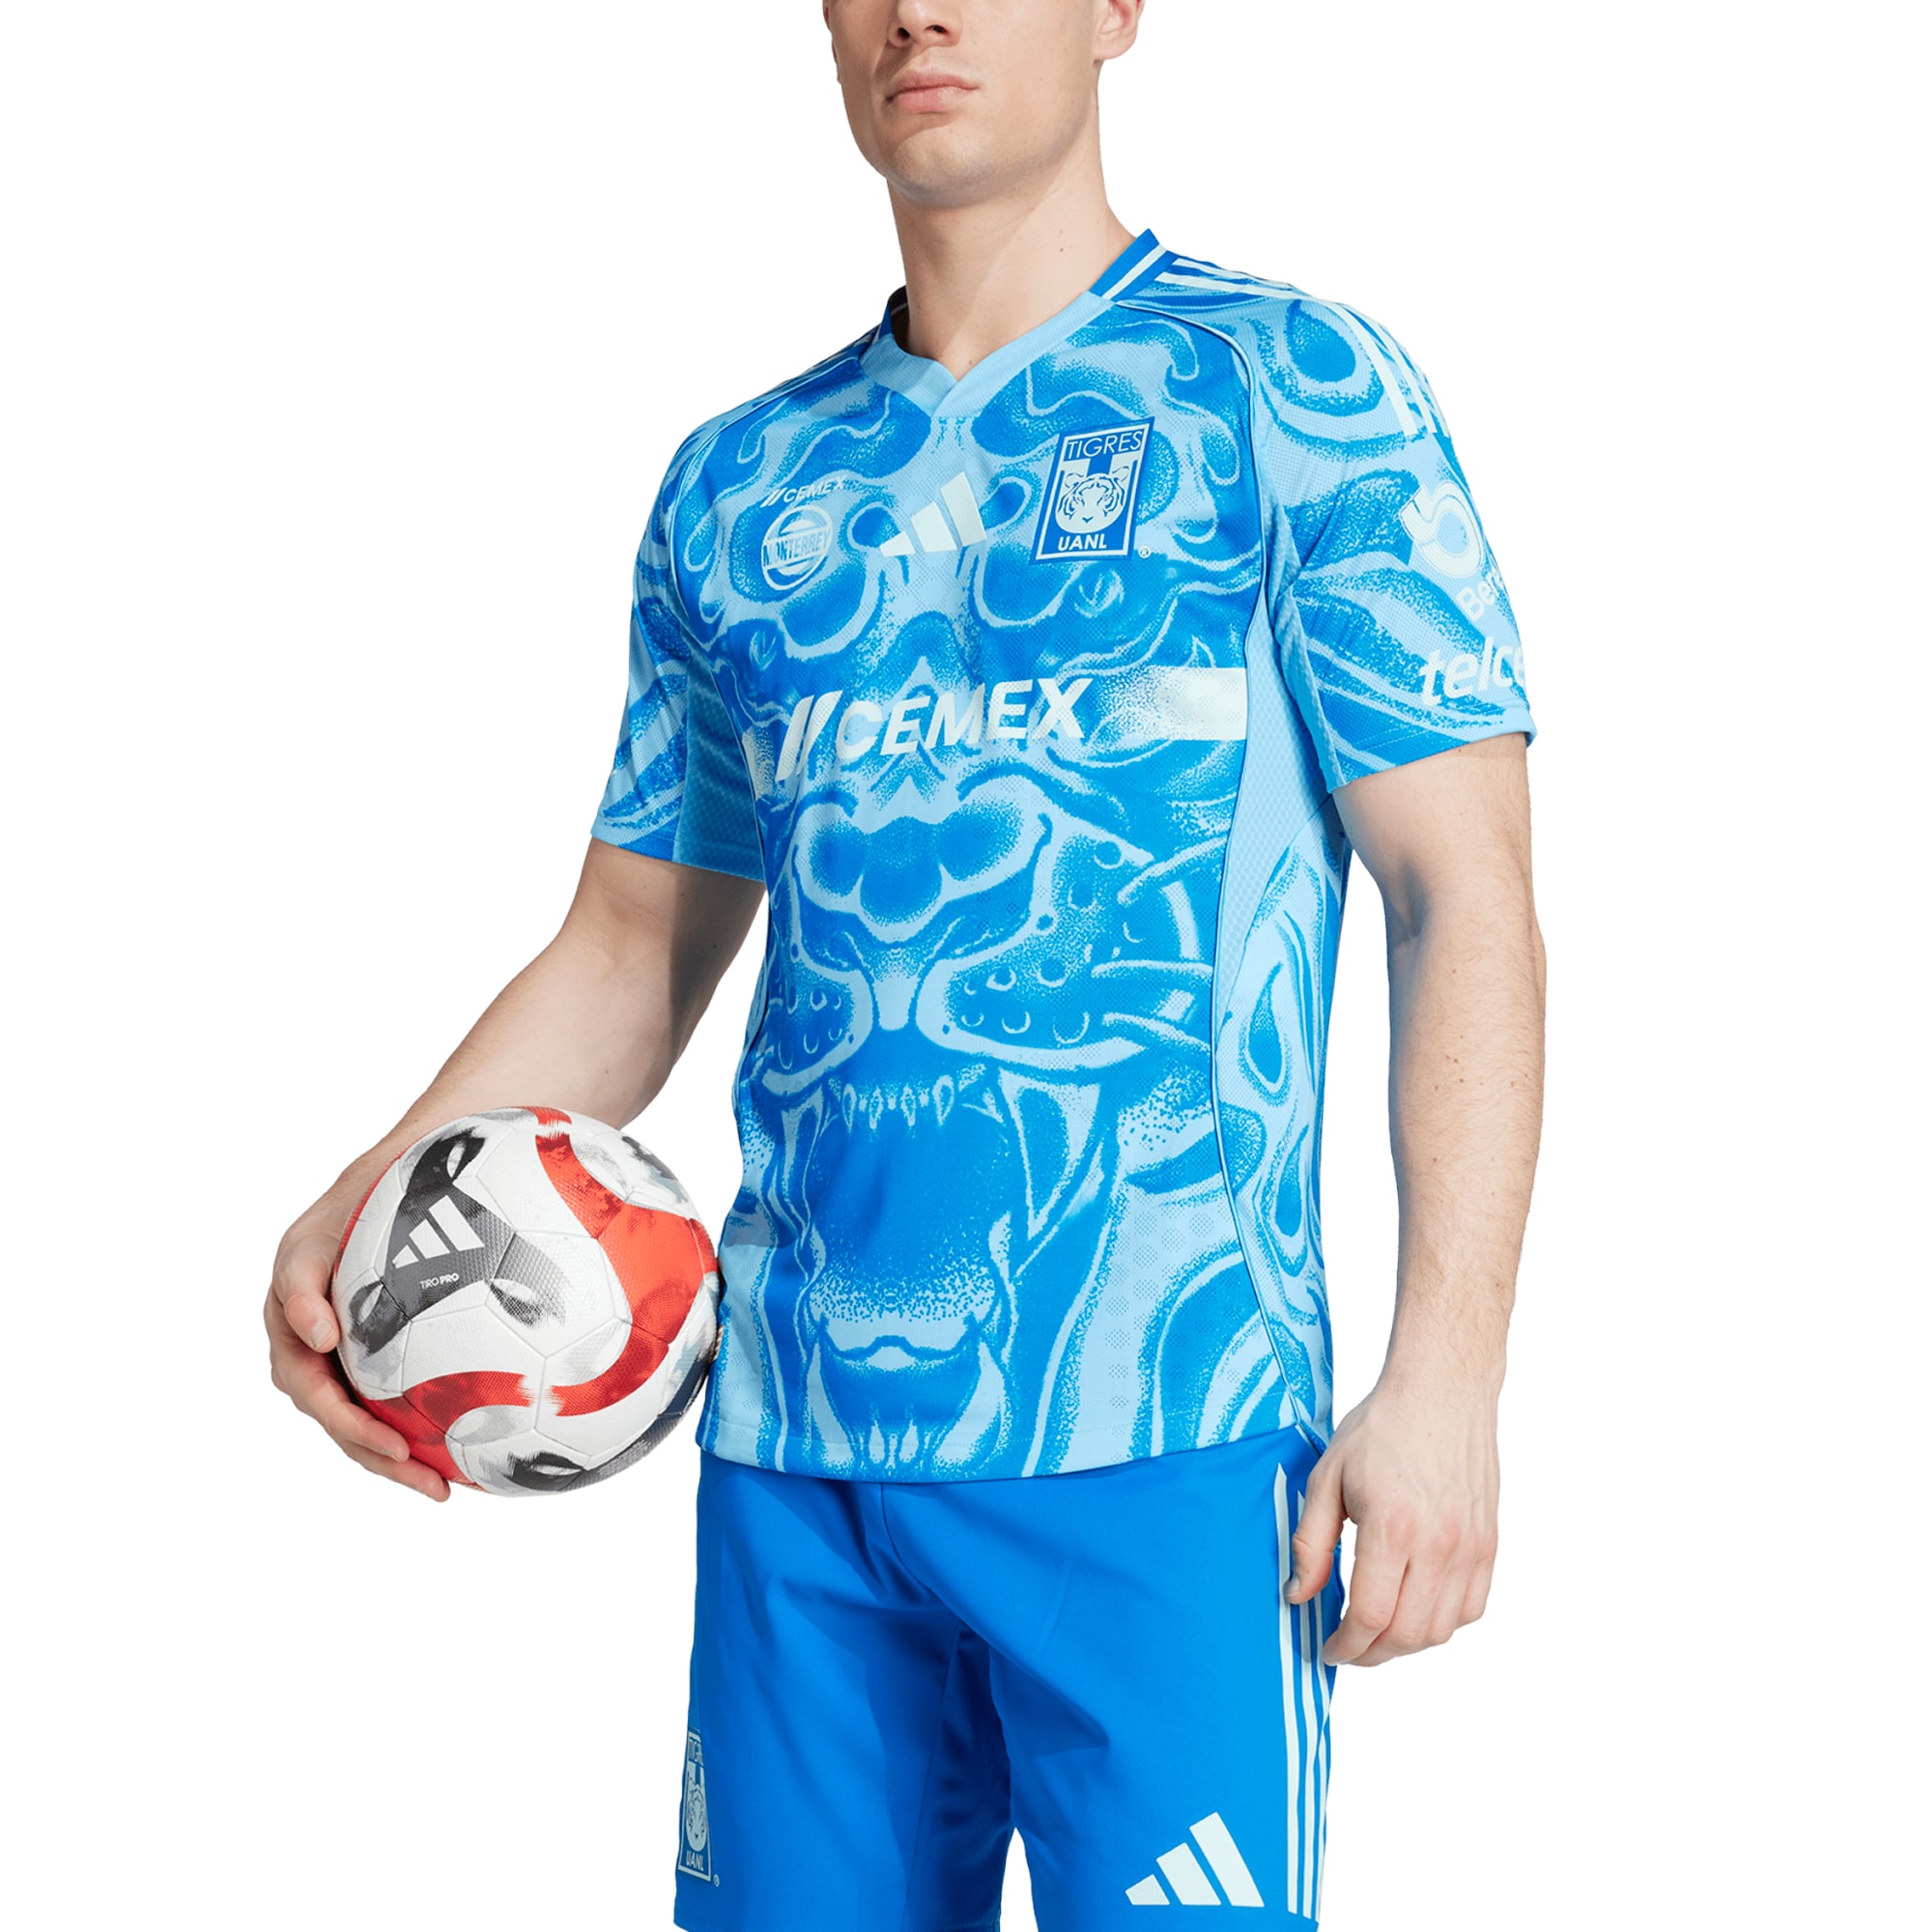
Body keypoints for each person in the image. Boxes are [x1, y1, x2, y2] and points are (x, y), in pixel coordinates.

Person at [266, 2, 1546, 1923]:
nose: (918, 9)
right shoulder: (735, 491)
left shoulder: (1293, 393)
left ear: (1116, 9)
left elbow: (1467, 893)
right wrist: (378, 1199)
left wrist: (1444, 1377)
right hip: (796, 1460)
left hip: (1172, 1447)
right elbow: (629, 949)